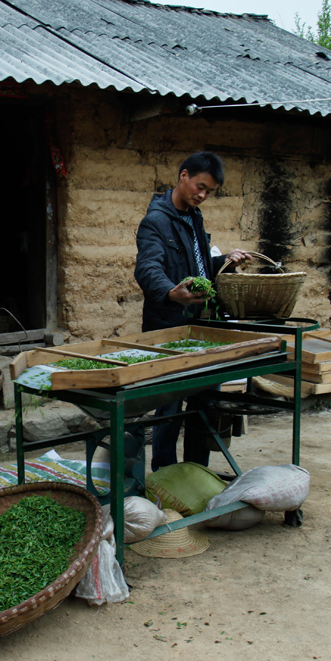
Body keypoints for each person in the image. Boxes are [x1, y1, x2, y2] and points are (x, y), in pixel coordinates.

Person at [134, 151, 250, 472]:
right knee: (169, 410)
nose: (202, 195)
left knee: (205, 404)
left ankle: (196, 473)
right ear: (183, 176)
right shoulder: (155, 221)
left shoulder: (194, 218)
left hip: (202, 331)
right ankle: (165, 477)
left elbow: (198, 268)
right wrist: (171, 292)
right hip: (170, 330)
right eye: (200, 186)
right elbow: (147, 268)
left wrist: (225, 260)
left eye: (209, 191)